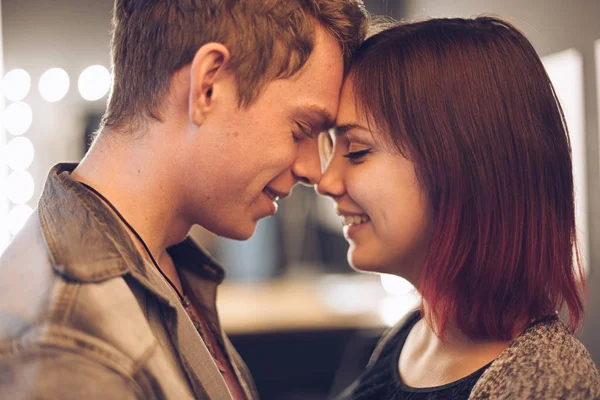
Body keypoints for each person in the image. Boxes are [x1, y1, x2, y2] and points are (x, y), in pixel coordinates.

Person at [0, 1, 368, 399]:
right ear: (207, 86)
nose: (314, 171)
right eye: (301, 129)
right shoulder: (68, 344)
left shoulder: (162, 261)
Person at [316, 16, 600, 400]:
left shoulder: (543, 381)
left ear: (461, 166)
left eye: (356, 151)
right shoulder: (411, 335)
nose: (325, 181)